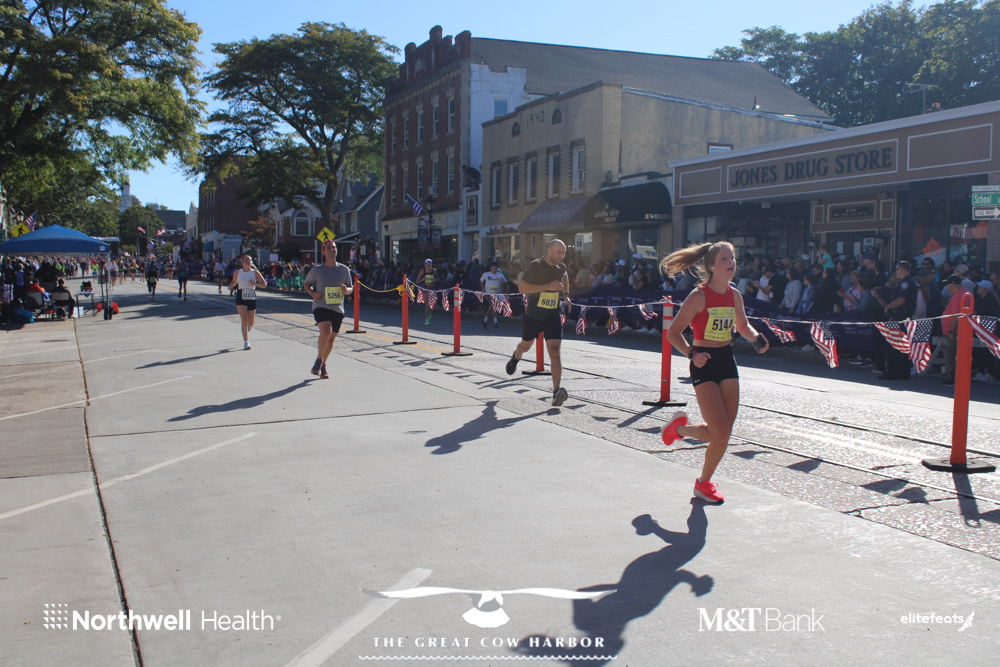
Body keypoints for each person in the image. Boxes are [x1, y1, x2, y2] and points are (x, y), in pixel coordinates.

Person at [659, 241, 769, 504]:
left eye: (733, 258)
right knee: (719, 433)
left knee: (723, 433)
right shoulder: (699, 296)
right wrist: (692, 354)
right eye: (724, 259)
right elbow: (674, 333)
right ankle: (680, 431)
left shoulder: (735, 295)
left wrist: (756, 337)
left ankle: (703, 482)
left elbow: (742, 326)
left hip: (726, 361)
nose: (731, 262)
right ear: (711, 266)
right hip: (704, 362)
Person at [504, 239, 571, 407]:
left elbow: (565, 277)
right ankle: (516, 356)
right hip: (534, 316)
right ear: (549, 251)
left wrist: (566, 295)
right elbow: (523, 288)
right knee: (525, 346)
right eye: (559, 252)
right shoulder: (536, 266)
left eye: (564, 253)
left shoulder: (561, 267)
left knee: (555, 352)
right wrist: (548, 286)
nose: (561, 256)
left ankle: (556, 392)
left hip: (553, 315)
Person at [303, 240, 353, 379]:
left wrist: (346, 290)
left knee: (330, 340)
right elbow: (307, 284)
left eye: (334, 247)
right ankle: (319, 360)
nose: (332, 250)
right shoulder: (317, 270)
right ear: (323, 251)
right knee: (326, 331)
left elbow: (350, 288)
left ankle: (323, 365)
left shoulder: (344, 269)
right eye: (329, 248)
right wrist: (314, 294)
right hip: (321, 306)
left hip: (337, 308)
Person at [229, 255, 266, 350]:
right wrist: (231, 286)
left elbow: (264, 284)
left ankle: (247, 327)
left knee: (251, 321)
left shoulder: (255, 272)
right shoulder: (237, 272)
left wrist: (256, 284)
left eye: (249, 260)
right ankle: (246, 342)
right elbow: (234, 281)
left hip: (251, 296)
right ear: (242, 262)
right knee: (244, 319)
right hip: (241, 295)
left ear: (251, 262)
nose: (248, 261)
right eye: (245, 260)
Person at [480, 261, 508, 329]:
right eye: (493, 268)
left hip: (496, 293)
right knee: (494, 305)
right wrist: (483, 288)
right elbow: (481, 281)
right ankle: (495, 322)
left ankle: (485, 320)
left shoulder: (500, 274)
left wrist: (503, 282)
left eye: (495, 268)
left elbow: (505, 283)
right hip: (488, 293)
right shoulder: (486, 274)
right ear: (490, 268)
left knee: (491, 307)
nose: (494, 270)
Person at [417, 259, 436, 325]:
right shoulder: (422, 271)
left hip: (432, 288)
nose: (428, 265)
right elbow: (417, 281)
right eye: (427, 263)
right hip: (425, 289)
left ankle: (429, 311)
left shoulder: (434, 271)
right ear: (425, 264)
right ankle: (427, 320)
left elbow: (438, 278)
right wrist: (423, 279)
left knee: (432, 305)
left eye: (430, 263)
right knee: (427, 305)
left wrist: (434, 280)